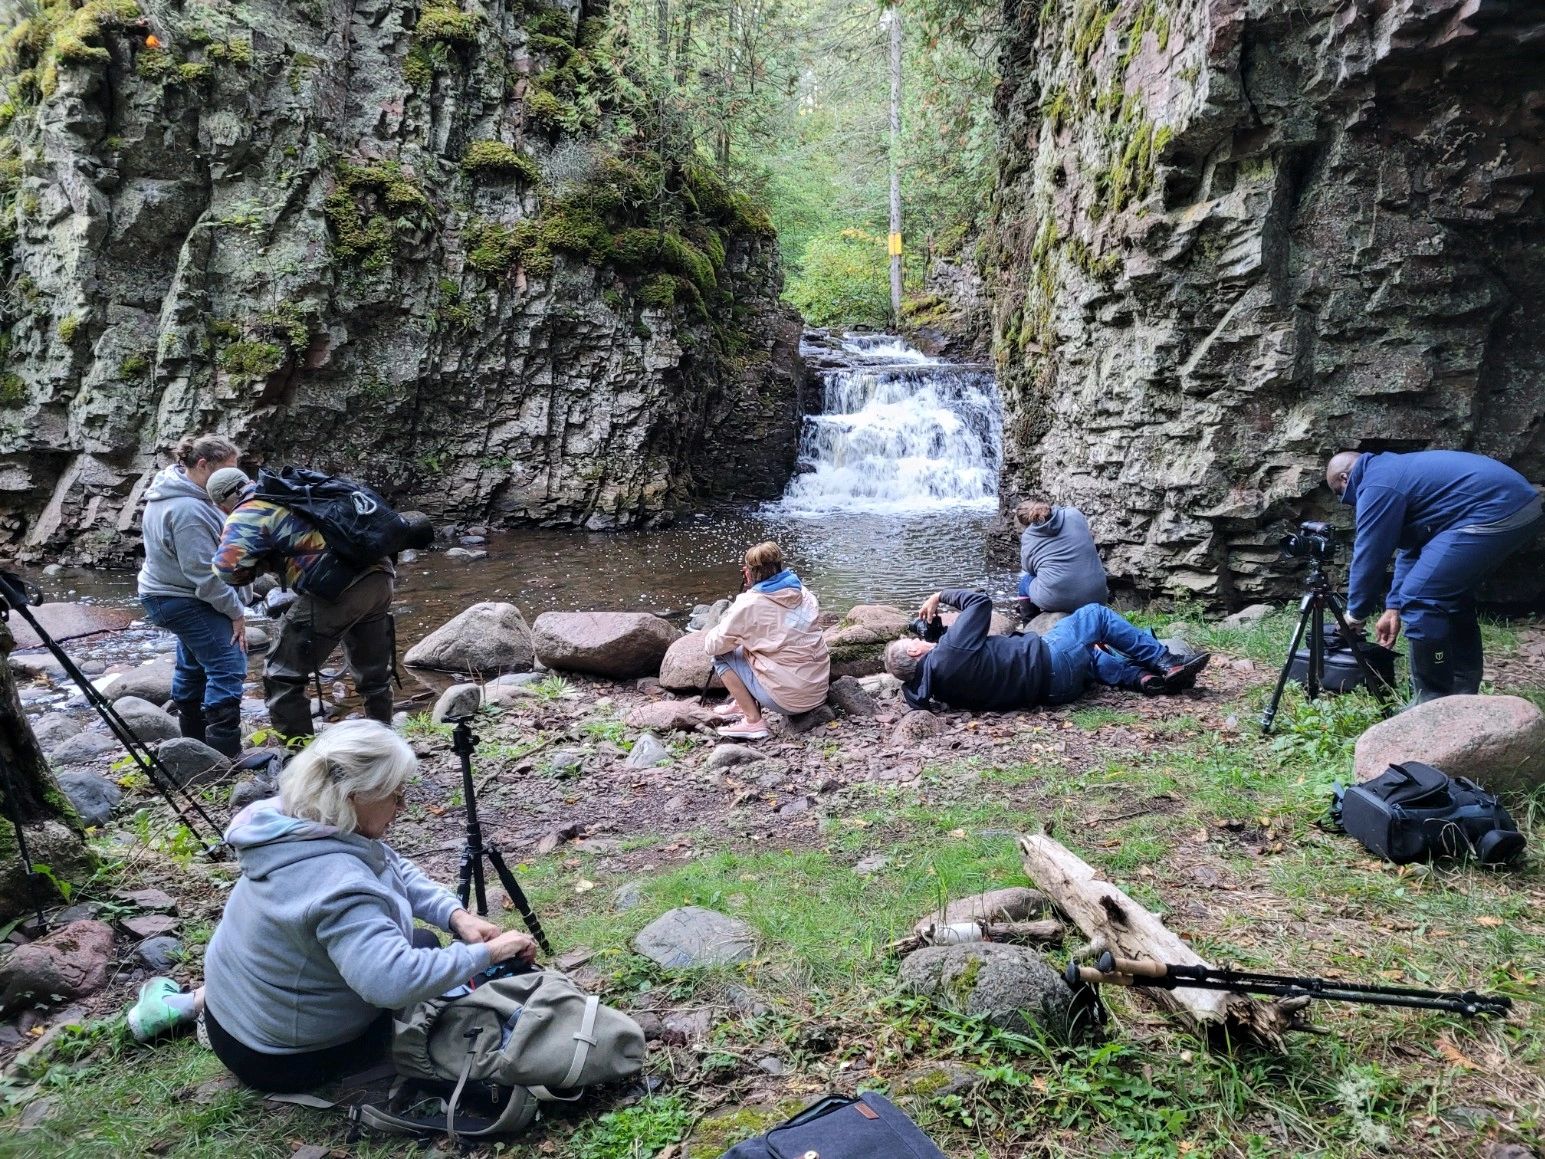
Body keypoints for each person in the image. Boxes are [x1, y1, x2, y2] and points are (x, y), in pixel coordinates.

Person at [125, 720, 536, 1091]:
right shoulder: (338, 884)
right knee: (425, 959)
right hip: (282, 1060)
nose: (403, 806)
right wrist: (487, 953)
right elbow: (392, 984)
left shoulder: (288, 824)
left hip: (231, 1013)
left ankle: (188, 1003)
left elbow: (390, 865)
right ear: (355, 795)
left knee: (420, 938)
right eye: (395, 795)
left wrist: (456, 915)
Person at [208, 470, 431, 742]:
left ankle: (297, 756)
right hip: (380, 575)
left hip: (337, 587)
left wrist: (261, 566)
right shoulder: (296, 490)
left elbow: (228, 570)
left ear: (222, 501)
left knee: (282, 674)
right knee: (373, 675)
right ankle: (385, 742)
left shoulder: (249, 510)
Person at [1326, 449, 1543, 703]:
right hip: (1518, 504)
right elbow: (1413, 548)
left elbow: (1370, 552)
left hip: (1496, 508)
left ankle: (1431, 700)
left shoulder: (1377, 484)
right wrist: (1394, 606)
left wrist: (1355, 613)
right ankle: (1463, 693)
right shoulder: (1393, 471)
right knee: (1449, 598)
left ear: (1344, 479)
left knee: (1421, 598)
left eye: (1340, 495)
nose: (1347, 501)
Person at [885, 589, 1209, 711]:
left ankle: (1139, 679)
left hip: (1054, 693)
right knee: (1093, 615)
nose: (920, 640)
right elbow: (979, 601)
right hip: (1052, 661)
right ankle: (1165, 662)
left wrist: (939, 634)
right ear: (915, 654)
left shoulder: (932, 687)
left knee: (1090, 656)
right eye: (914, 642)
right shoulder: (951, 651)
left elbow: (961, 656)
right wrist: (939, 596)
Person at [136, 437, 250, 757]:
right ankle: (225, 754)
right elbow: (204, 575)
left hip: (167, 594)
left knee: (194, 661)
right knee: (228, 662)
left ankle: (194, 745)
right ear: (202, 466)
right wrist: (236, 612)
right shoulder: (188, 510)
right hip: (180, 597)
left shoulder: (176, 488)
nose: (233, 481)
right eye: (226, 471)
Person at [702, 541, 830, 741]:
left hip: (788, 700)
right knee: (755, 646)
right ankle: (742, 701)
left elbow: (713, 645)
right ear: (780, 565)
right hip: (818, 690)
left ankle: (753, 721)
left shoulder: (749, 604)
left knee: (722, 655)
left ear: (748, 572)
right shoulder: (804, 593)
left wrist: (723, 625)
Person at [1014, 499, 1109, 625]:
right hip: (1098, 595)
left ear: (1028, 522)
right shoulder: (1074, 514)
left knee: (1025, 582)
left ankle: (1030, 626)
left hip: (1057, 600)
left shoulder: (1029, 537)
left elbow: (1029, 569)